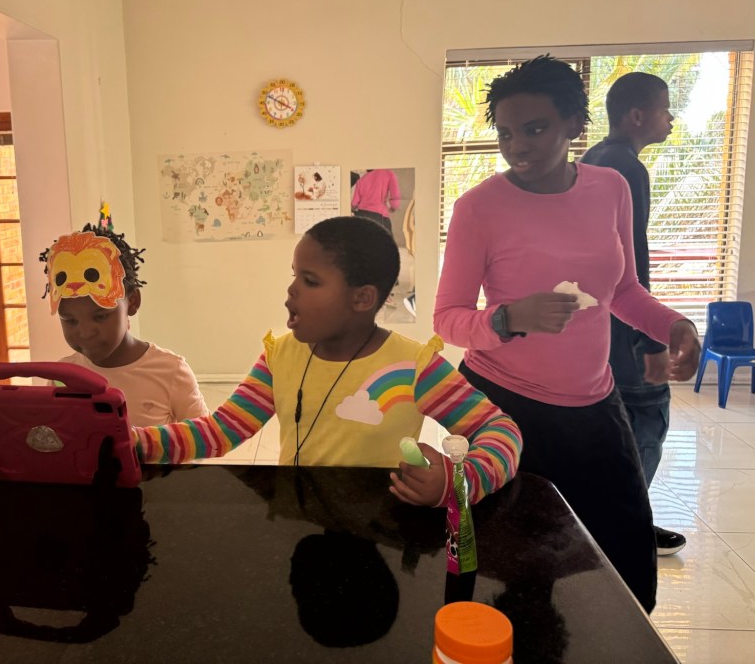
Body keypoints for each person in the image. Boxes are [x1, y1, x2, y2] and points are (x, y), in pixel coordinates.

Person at [433, 56, 700, 613]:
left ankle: (622, 645)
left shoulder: (610, 188)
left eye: (535, 129)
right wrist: (509, 319)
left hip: (594, 403)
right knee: (511, 561)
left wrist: (673, 324)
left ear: (575, 124)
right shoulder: (478, 208)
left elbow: (622, 290)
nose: (517, 147)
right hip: (501, 405)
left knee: (625, 549)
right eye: (506, 133)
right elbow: (448, 319)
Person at [135, 216, 522, 509]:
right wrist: (132, 442)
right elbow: (220, 432)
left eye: (310, 280)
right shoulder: (278, 357)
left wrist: (459, 482)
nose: (291, 290)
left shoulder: (414, 367)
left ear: (362, 298)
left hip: (381, 539)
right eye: (294, 276)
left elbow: (501, 431)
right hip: (298, 530)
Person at [581, 72, 685, 557]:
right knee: (646, 415)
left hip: (596, 326)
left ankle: (610, 521)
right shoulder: (623, 168)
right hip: (621, 329)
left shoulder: (593, 160)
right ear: (638, 115)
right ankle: (624, 525)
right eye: (666, 109)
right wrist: (653, 340)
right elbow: (631, 264)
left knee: (612, 426)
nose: (671, 118)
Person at [40, 222, 210, 426]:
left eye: (100, 316)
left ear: (133, 302)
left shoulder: (171, 372)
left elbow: (205, 437)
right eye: (70, 320)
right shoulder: (62, 377)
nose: (85, 332)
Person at [351, 169, 400, 234]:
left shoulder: (361, 180)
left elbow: (354, 203)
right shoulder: (389, 174)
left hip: (361, 216)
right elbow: (395, 198)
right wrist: (392, 208)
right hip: (379, 217)